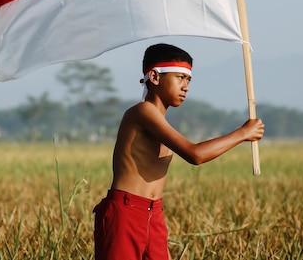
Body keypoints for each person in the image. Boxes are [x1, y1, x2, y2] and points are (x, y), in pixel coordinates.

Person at [93, 43, 265, 260]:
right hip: (126, 214)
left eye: (189, 80)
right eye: (179, 77)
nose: (186, 87)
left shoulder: (160, 120)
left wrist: (243, 134)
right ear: (155, 77)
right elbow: (195, 154)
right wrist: (242, 133)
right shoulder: (143, 111)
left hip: (154, 214)